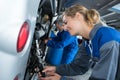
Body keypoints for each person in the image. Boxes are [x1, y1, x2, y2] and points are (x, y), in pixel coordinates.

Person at [39, 4, 120, 80]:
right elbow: (79, 67)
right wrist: (56, 69)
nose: (64, 28)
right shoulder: (88, 42)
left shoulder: (108, 38)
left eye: (66, 22)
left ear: (78, 16)